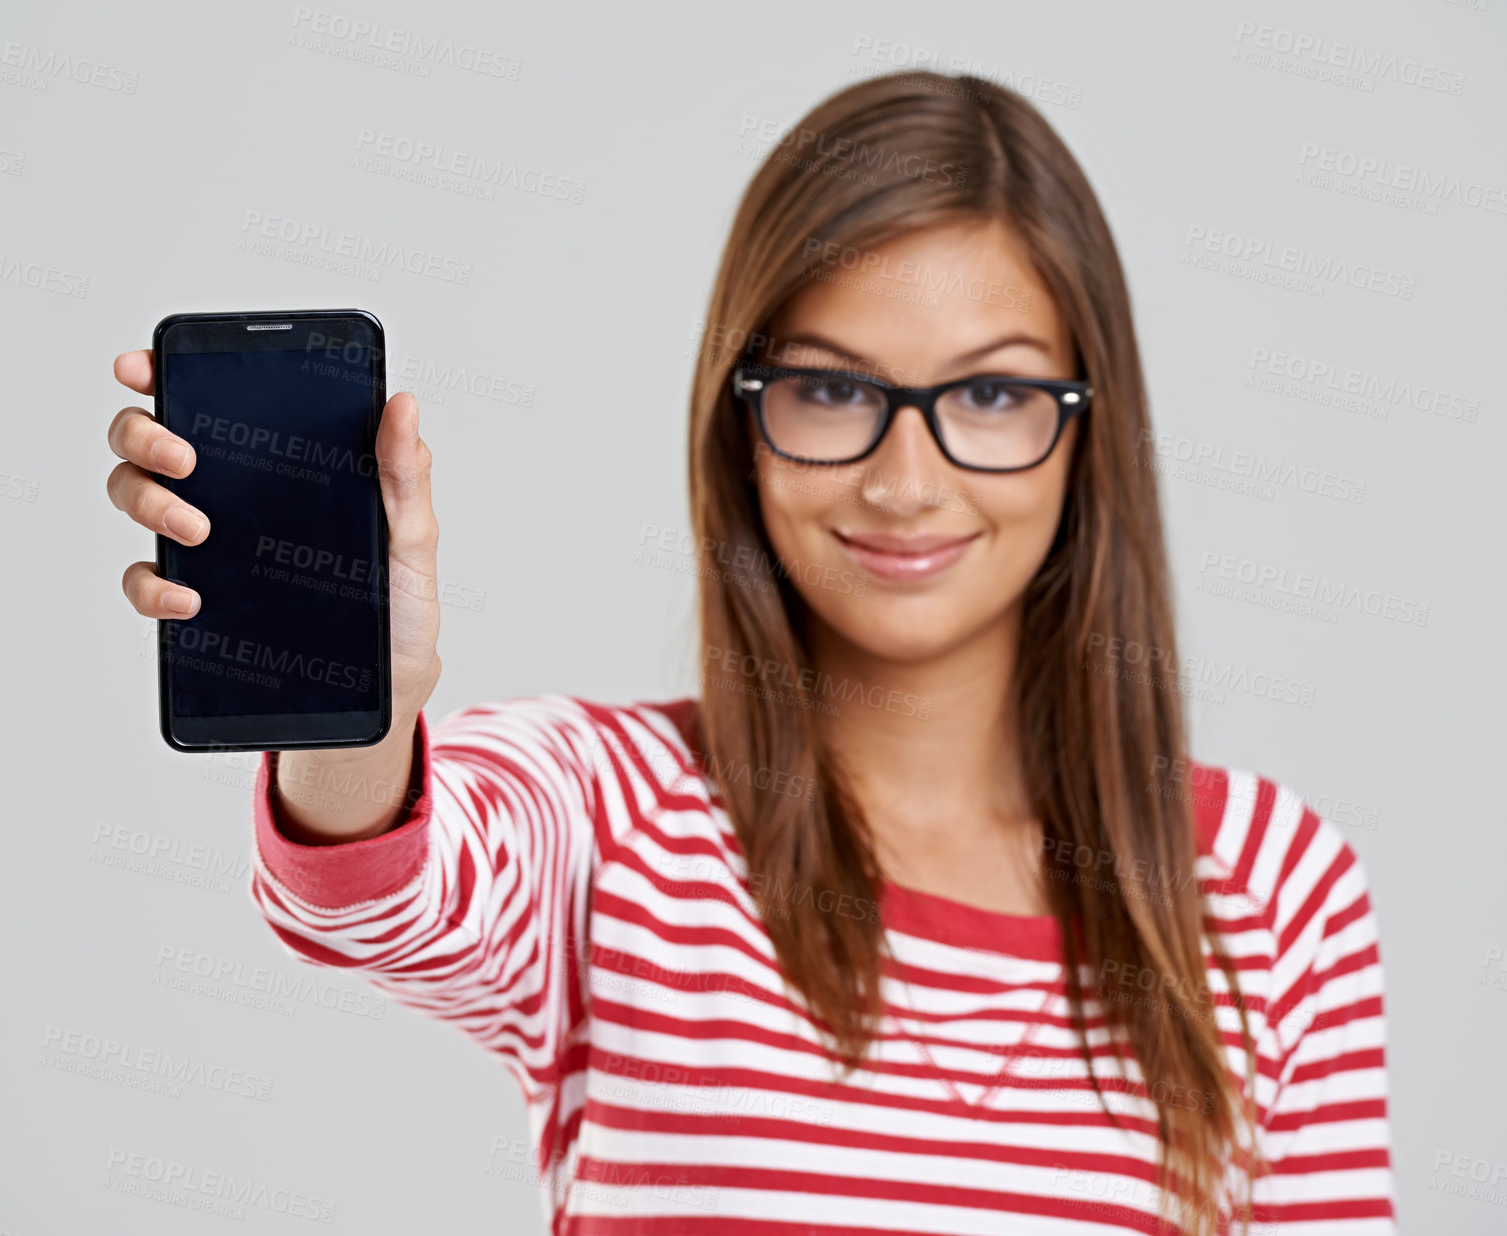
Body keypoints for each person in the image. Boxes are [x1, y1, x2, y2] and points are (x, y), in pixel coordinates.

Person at [105, 69, 1395, 1234]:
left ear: (1087, 430)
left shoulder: (1271, 894)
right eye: (831, 387)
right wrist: (362, 705)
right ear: (744, 420)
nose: (906, 480)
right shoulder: (616, 813)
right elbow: (385, 893)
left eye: (994, 395)